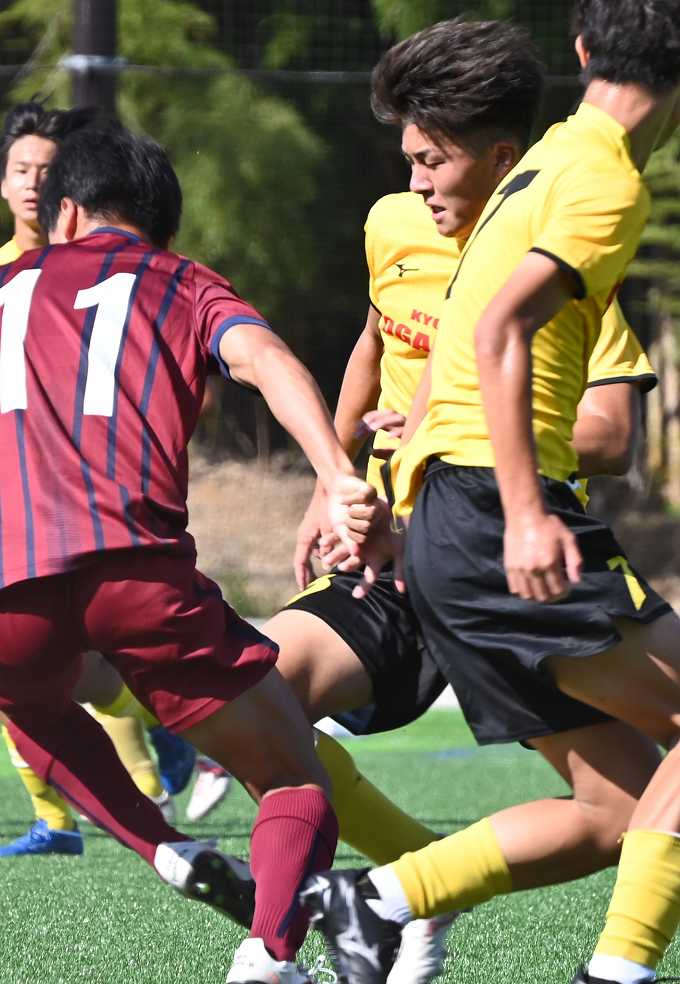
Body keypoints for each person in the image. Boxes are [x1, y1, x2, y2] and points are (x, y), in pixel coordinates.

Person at [0, 124, 378, 984]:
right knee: (291, 779)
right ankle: (268, 959)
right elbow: (266, 360)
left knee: (39, 713)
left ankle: (164, 850)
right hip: (131, 568)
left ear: (67, 214)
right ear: (155, 226)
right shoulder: (181, 282)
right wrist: (335, 473)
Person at [303, 4, 680, 983]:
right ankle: (622, 970)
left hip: (449, 520)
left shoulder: (539, 165)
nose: (420, 182)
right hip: (489, 514)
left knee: (611, 811)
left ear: (588, 53)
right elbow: (496, 332)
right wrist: (520, 510)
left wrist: (407, 499)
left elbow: (452, 335)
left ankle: (382, 895)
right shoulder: (599, 177)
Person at [0, 100, 196, 858]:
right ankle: (68, 812)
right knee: (39, 666)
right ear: (6, 185)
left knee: (61, 663)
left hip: (85, 508)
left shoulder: (127, 280)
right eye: (21, 170)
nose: (33, 184)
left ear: (70, 192)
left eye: (47, 170)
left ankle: (141, 786)